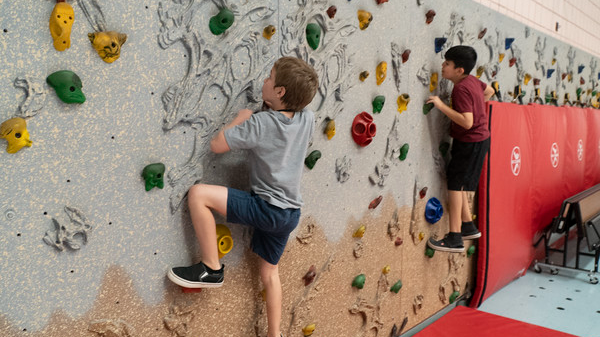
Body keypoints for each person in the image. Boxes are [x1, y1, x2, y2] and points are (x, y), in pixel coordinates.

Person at [167, 56, 318, 337]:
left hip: (267, 208)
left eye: (270, 78)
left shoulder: (259, 124)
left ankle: (211, 268)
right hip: (289, 215)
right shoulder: (307, 119)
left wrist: (239, 120)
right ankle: (275, 335)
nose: (264, 81)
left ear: (281, 91)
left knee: (198, 194)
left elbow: (217, 145)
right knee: (270, 275)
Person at [426, 45, 495, 253]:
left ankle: (454, 237)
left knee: (455, 185)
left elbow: (466, 122)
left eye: (447, 63)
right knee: (459, 183)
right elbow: (490, 91)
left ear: (459, 70)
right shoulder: (472, 81)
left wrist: (440, 105)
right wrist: (476, 105)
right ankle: (468, 226)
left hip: (470, 141)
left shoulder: (461, 88)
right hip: (477, 140)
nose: (443, 66)